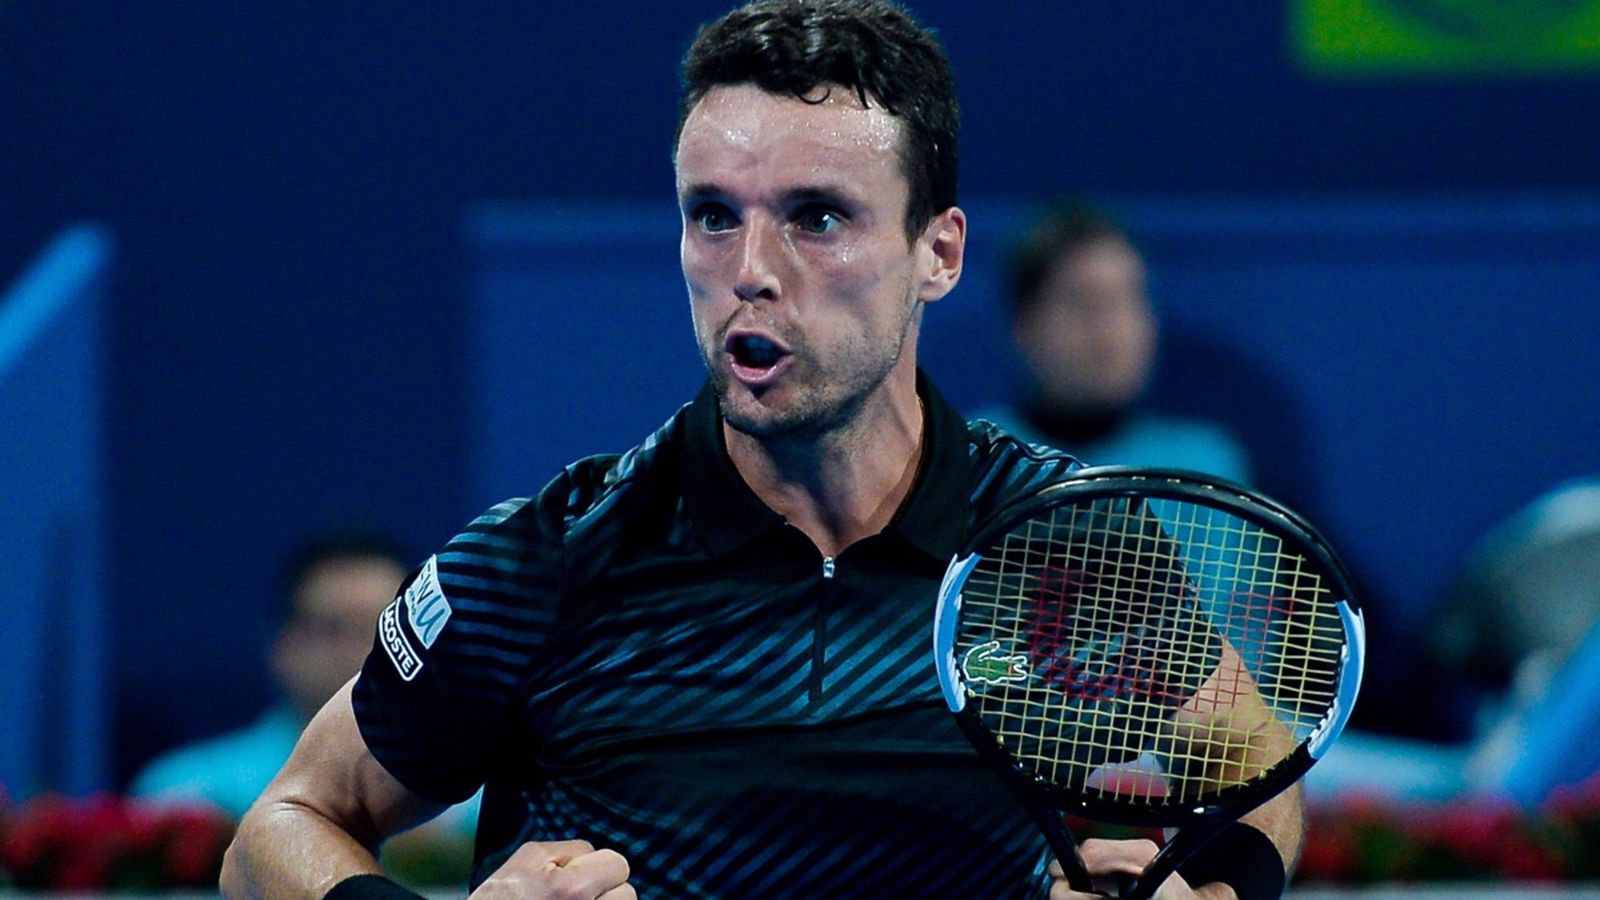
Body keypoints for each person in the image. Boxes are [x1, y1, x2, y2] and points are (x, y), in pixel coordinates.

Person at [221, 2, 1303, 898]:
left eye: (816, 217)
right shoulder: (542, 561)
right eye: (713, 217)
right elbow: (281, 828)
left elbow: (1255, 781)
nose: (751, 269)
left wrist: (1206, 897)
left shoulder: (1062, 536)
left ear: (938, 253)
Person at [132, 533, 411, 818]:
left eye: (382, 629)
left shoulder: (458, 806)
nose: (358, 655)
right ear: (283, 646)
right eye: (332, 630)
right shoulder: (183, 797)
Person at [976, 204, 1252, 483]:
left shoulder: (1209, 463)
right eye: (1083, 303)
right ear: (1023, 327)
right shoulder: (970, 459)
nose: (1111, 334)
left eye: (1127, 301)